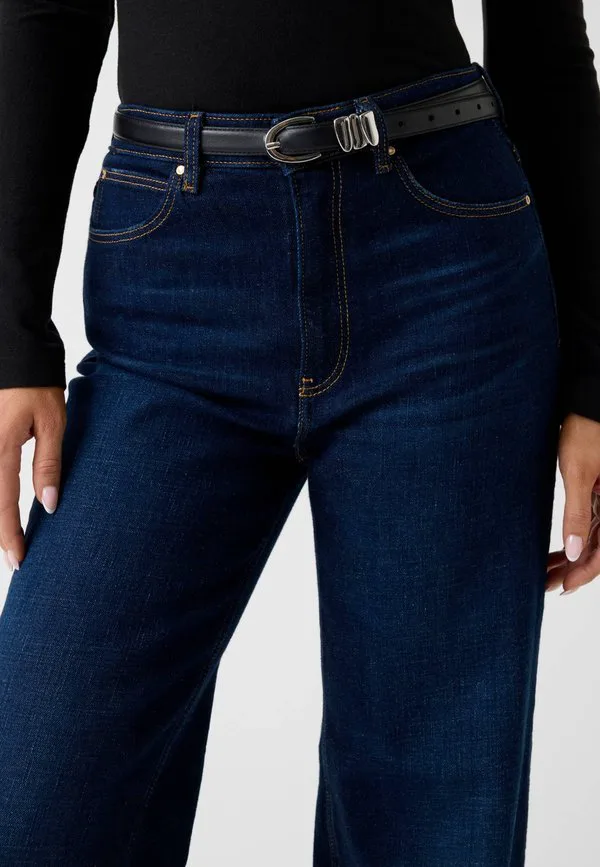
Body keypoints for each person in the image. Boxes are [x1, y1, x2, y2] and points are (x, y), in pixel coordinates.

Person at [0, 0, 599, 864]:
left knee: (429, 827)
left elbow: (542, 38)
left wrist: (594, 375)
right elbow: (45, 12)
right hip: (173, 273)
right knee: (35, 794)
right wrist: (13, 332)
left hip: (443, 273)